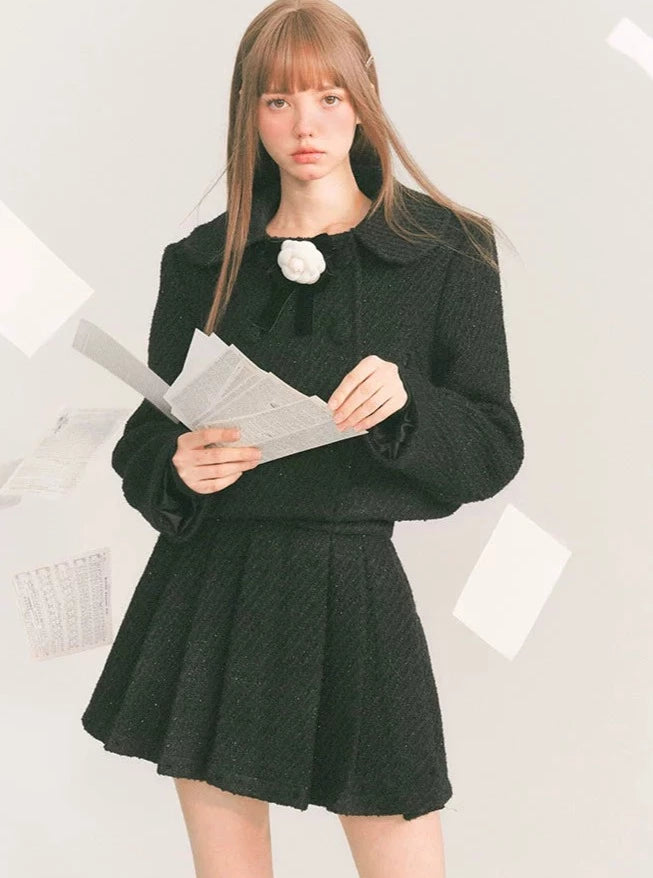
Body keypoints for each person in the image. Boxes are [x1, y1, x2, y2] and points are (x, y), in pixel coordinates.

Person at [81, 1, 525, 876]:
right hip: (212, 588)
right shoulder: (201, 261)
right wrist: (177, 464)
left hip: (352, 584)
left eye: (327, 96)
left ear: (363, 101)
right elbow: (147, 435)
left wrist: (406, 404)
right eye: (278, 101)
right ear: (249, 113)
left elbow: (491, 446)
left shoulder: (444, 250)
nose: (304, 125)